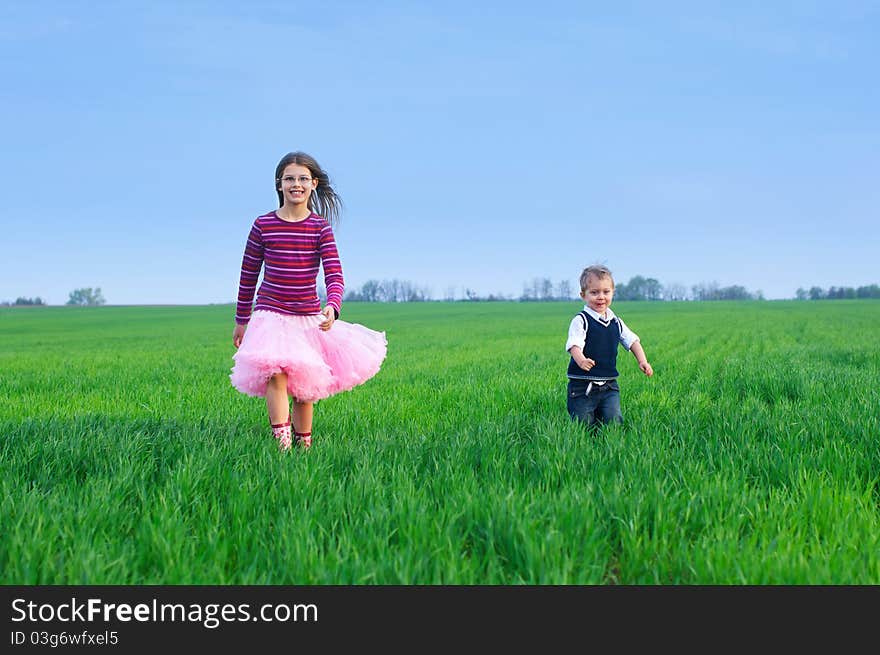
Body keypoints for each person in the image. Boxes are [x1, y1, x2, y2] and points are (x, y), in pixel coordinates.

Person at [230, 151, 387, 451]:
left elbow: (335, 274)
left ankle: (304, 448)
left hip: (307, 317)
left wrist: (333, 305)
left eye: (303, 179)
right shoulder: (263, 225)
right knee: (274, 374)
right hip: (269, 314)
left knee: (304, 389)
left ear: (313, 184)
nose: (296, 184)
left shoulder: (319, 228)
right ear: (279, 184)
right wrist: (241, 320)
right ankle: (282, 446)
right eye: (289, 179)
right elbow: (248, 274)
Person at [565, 264, 653, 427]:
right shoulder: (581, 320)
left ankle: (610, 446)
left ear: (613, 293)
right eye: (594, 292)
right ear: (583, 295)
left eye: (606, 292)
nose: (601, 297)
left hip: (609, 385)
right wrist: (581, 360)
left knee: (613, 421)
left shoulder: (616, 322)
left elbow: (633, 341)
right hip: (582, 386)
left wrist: (642, 361)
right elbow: (574, 345)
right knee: (583, 424)